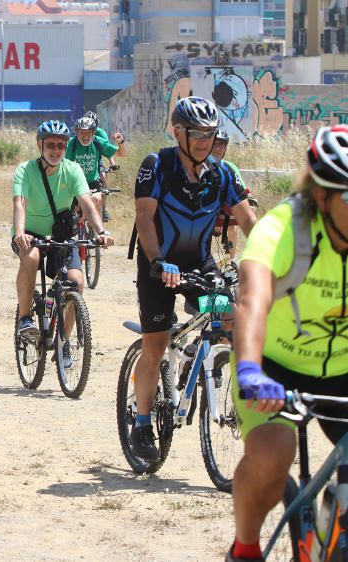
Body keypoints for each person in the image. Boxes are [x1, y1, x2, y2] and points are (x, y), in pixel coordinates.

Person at [225, 125, 348, 562]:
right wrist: (251, 372)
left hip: (342, 372)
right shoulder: (282, 229)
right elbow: (253, 302)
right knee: (274, 451)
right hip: (272, 367)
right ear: (321, 197)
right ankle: (245, 548)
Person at [127, 97, 257, 462]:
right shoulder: (157, 166)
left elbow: (248, 221)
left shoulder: (221, 174)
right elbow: (144, 218)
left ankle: (240, 407)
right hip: (159, 268)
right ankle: (140, 422)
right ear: (178, 132)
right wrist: (158, 262)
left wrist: (267, 257)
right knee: (155, 342)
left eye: (210, 134)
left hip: (200, 267)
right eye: (197, 134)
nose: (204, 141)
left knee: (231, 320)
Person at [12, 120, 114, 364]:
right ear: (40, 145)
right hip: (30, 235)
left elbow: (87, 202)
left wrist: (101, 231)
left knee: (76, 282)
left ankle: (63, 342)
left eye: (60, 145)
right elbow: (20, 203)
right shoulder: (25, 170)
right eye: (51, 145)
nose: (56, 150)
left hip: (62, 236)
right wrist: (20, 233)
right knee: (32, 257)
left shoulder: (72, 169)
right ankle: (25, 318)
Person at [65, 115, 126, 222]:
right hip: (75, 182)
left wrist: (121, 142)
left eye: (88, 132)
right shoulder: (72, 143)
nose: (85, 136)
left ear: (93, 133)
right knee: (71, 214)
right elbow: (63, 163)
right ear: (77, 133)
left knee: (97, 200)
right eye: (82, 132)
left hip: (93, 182)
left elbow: (122, 154)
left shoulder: (98, 142)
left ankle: (98, 232)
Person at [210, 130, 256, 262]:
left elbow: (242, 192)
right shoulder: (197, 167)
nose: (218, 148)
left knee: (232, 225)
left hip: (223, 212)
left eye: (222, 145)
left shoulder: (230, 168)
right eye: (215, 144)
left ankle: (229, 261)